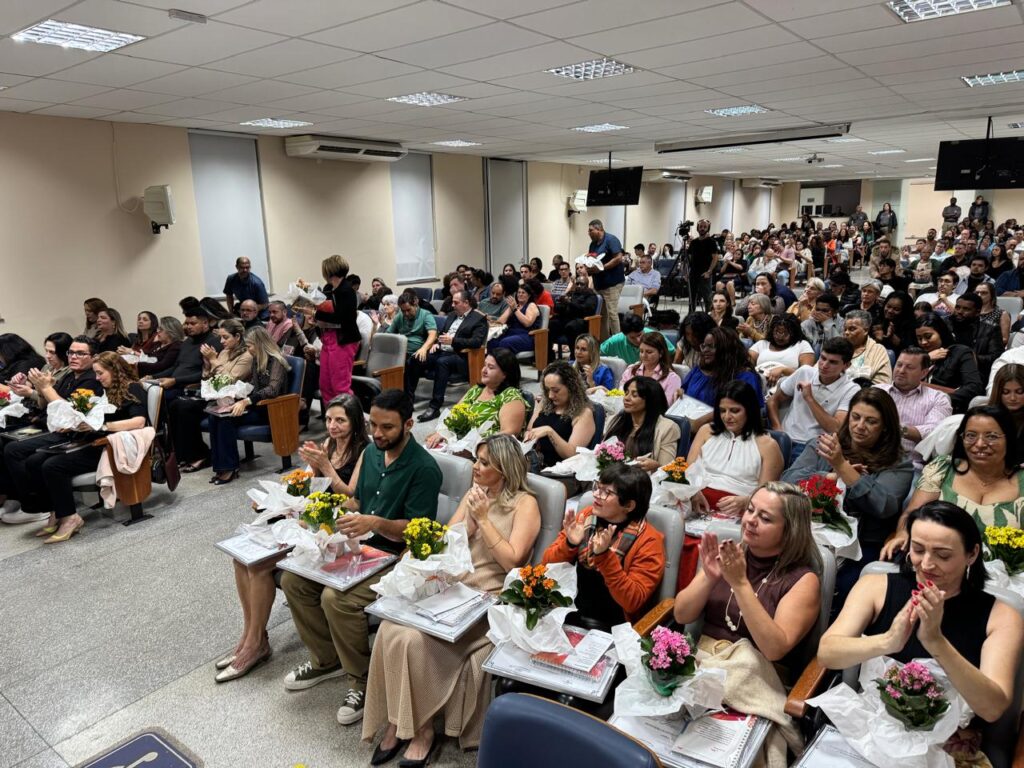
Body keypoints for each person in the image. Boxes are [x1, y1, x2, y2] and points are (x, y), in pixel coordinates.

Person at [364, 435, 540, 762]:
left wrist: (484, 521)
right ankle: (396, 721)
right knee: (391, 629)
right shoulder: (475, 496)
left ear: (504, 468)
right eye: (477, 459)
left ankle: (423, 730)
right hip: (452, 589)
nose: (476, 466)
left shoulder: (524, 503)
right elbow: (445, 546)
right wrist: (465, 530)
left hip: (488, 599)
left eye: (485, 462)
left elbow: (513, 561)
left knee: (414, 642)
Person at [280, 390, 442, 726]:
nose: (378, 433)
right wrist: (323, 508)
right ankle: (327, 660)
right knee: (293, 580)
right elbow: (358, 501)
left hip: (396, 556)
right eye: (374, 425)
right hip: (362, 545)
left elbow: (417, 530)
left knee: (336, 598)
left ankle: (363, 680)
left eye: (388, 427)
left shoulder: (424, 468)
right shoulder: (370, 453)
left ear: (409, 424)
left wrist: (376, 522)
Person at [820, 502, 1023, 766]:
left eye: (943, 555)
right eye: (918, 549)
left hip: (947, 744)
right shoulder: (875, 586)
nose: (927, 564)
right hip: (871, 724)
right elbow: (827, 654)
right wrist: (887, 641)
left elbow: (992, 708)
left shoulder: (1001, 615)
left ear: (972, 554)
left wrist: (936, 642)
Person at [215, 395, 369, 683]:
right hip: (307, 518)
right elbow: (308, 484)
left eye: (340, 421)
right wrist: (279, 497)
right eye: (329, 419)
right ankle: (252, 635)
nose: (332, 426)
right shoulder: (328, 444)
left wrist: (326, 466)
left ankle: (255, 646)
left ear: (355, 421)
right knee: (241, 559)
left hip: (333, 528)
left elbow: (351, 497)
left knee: (259, 565)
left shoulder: (364, 450)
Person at [673, 481, 822, 678]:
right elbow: (681, 615)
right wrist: (709, 578)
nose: (751, 520)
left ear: (790, 531)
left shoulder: (803, 581)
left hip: (754, 677)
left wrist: (740, 584)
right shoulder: (730, 554)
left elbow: (774, 650)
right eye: (750, 510)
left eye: (765, 518)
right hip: (703, 663)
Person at [783, 388, 913, 604]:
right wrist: (832, 475)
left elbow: (884, 506)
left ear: (885, 428)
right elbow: (788, 482)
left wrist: (844, 468)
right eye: (856, 417)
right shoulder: (822, 444)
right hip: (809, 528)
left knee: (844, 589)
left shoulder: (898, 463)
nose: (860, 426)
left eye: (871, 421)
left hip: (863, 543)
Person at [22, 352, 147, 543]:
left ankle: (70, 518)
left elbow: (139, 421)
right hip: (93, 439)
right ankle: (56, 511)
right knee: (34, 461)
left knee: (52, 466)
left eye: (100, 373)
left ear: (115, 370)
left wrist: (102, 426)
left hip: (110, 446)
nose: (97, 378)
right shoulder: (107, 391)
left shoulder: (133, 388)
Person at [883, 406, 1024, 562]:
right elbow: (912, 513)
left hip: (1006, 576)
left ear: (1009, 439)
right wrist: (903, 534)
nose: (980, 444)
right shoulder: (943, 468)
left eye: (991, 436)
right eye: (971, 435)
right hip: (934, 564)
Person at [544, 463, 664, 627]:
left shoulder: (649, 541)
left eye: (606, 492)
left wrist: (604, 557)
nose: (596, 495)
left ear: (629, 505)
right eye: (597, 487)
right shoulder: (586, 516)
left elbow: (633, 601)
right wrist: (570, 543)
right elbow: (547, 566)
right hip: (565, 608)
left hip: (612, 624)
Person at [167, 318, 252, 474]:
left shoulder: (246, 356)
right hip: (214, 395)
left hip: (231, 398)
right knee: (174, 404)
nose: (222, 341)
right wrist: (207, 365)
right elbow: (209, 378)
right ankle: (184, 454)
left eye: (225, 337)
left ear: (238, 337)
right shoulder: (225, 352)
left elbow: (228, 380)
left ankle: (199, 454)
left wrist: (213, 360)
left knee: (186, 408)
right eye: (220, 337)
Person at [206, 327, 289, 485]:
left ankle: (230, 467)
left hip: (270, 409)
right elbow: (253, 385)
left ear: (260, 344)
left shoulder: (277, 360)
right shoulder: (257, 359)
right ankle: (220, 467)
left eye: (250, 346)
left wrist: (246, 401)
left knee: (226, 420)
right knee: (215, 416)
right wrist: (235, 393)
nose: (248, 349)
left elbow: (272, 389)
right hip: (255, 405)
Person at [689, 381, 784, 517]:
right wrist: (692, 492)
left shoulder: (768, 445)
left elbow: (766, 494)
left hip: (739, 510)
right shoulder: (705, 431)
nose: (727, 417)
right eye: (722, 410)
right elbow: (689, 472)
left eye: (735, 411)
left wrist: (746, 502)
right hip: (696, 503)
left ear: (749, 410)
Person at [768, 337, 858, 462]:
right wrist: (777, 429)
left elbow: (835, 428)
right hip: (784, 438)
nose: (824, 365)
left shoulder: (851, 389)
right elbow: (772, 401)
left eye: (832, 362)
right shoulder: (804, 372)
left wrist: (809, 398)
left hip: (814, 447)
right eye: (823, 358)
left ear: (846, 365)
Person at [408, 289, 488, 423]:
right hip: (442, 351)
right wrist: (436, 342)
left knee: (442, 362)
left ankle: (435, 407)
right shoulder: (451, 315)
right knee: (415, 359)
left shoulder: (478, 319)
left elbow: (476, 342)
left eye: (456, 302)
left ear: (466, 303)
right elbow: (442, 333)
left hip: (462, 357)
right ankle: (408, 401)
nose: (452, 305)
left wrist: (453, 341)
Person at [425, 349, 530, 446]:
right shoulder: (476, 390)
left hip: (489, 451)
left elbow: (508, 435)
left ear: (505, 374)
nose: (484, 370)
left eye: (491, 367)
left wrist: (475, 447)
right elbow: (454, 415)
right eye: (485, 365)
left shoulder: (511, 397)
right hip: (460, 444)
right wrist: (443, 434)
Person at [875, 347, 953, 472]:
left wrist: (893, 428)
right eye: (899, 365)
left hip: (910, 465)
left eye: (909, 368)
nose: (901, 371)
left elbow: (934, 434)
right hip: (871, 458)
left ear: (924, 373)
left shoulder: (937, 398)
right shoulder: (877, 391)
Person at [299, 255, 360, 403]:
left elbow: (341, 318)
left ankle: (350, 422)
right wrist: (305, 289)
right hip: (328, 339)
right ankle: (332, 420)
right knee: (325, 385)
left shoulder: (347, 291)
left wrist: (314, 313)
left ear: (329, 270)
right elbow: (320, 302)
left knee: (340, 386)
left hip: (343, 340)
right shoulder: (329, 288)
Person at [681, 326, 763, 430]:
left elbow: (740, 411)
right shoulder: (698, 371)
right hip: (691, 427)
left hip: (725, 431)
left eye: (711, 346)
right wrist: (680, 393)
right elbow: (684, 391)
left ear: (726, 348)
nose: (705, 350)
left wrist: (700, 423)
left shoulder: (745, 377)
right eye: (704, 346)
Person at [524, 360, 596, 471]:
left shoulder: (583, 413)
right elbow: (530, 429)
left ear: (571, 387)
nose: (551, 395)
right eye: (547, 390)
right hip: (535, 462)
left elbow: (571, 454)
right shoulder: (546, 402)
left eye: (556, 390)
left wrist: (550, 432)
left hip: (558, 471)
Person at [602, 376, 679, 472]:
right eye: (626, 393)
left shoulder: (667, 428)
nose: (626, 398)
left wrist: (656, 466)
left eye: (634, 395)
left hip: (642, 481)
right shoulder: (616, 420)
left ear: (650, 400)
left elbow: (667, 469)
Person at [915, 312, 984, 413]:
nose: (923, 342)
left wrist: (940, 399)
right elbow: (901, 380)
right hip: (915, 406)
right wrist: (927, 358)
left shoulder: (960, 352)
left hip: (946, 408)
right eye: (919, 338)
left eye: (928, 336)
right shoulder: (917, 354)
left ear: (941, 333)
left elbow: (973, 387)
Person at [749, 315, 815, 390]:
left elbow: (806, 374)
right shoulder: (762, 344)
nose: (780, 337)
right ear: (772, 331)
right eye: (777, 332)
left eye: (785, 333)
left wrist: (784, 370)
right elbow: (746, 365)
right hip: (759, 382)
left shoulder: (802, 345)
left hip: (787, 386)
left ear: (794, 333)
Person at [585, 218, 626, 338]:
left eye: (591, 230)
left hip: (612, 283)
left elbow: (618, 258)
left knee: (612, 313)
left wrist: (602, 267)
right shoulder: (593, 244)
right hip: (599, 284)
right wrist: (588, 265)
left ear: (599, 229)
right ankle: (605, 343)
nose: (589, 233)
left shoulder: (611, 240)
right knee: (601, 315)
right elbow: (593, 258)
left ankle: (618, 342)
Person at [951, 293, 1004, 382]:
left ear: (977, 312)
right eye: (957, 307)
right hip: (947, 371)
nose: (959, 311)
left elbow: (997, 357)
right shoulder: (945, 323)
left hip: (975, 373)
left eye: (966, 309)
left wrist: (970, 358)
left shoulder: (991, 329)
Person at [620, 332, 681, 401]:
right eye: (641, 351)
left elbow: (666, 406)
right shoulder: (631, 370)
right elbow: (621, 394)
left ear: (661, 353)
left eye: (649, 352)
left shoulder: (672, 378)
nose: (644, 356)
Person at [601, 314, 675, 366]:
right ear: (625, 335)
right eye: (632, 338)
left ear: (643, 329)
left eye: (639, 335)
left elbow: (672, 353)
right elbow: (597, 353)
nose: (638, 340)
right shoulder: (616, 341)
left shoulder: (656, 337)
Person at [487, 283, 540, 355]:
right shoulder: (514, 306)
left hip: (526, 335)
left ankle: (506, 365)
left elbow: (527, 323)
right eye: (519, 292)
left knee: (505, 342)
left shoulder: (531, 305)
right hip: (511, 333)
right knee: (492, 342)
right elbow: (500, 322)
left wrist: (515, 309)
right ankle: (493, 364)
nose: (520, 294)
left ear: (529, 295)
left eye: (523, 292)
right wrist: (511, 309)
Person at [842, 309, 892, 384]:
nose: (846, 333)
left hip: (865, 393)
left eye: (852, 329)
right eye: (845, 329)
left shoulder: (878, 350)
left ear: (866, 330)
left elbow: (883, 383)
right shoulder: (836, 347)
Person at [687, 219, 720, 313]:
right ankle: (691, 317)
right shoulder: (693, 242)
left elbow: (715, 258)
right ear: (698, 228)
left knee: (707, 298)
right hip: (693, 273)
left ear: (708, 228)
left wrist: (709, 271)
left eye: (705, 227)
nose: (702, 228)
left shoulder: (711, 242)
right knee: (692, 298)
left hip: (705, 273)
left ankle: (708, 316)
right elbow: (688, 258)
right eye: (701, 226)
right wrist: (686, 272)